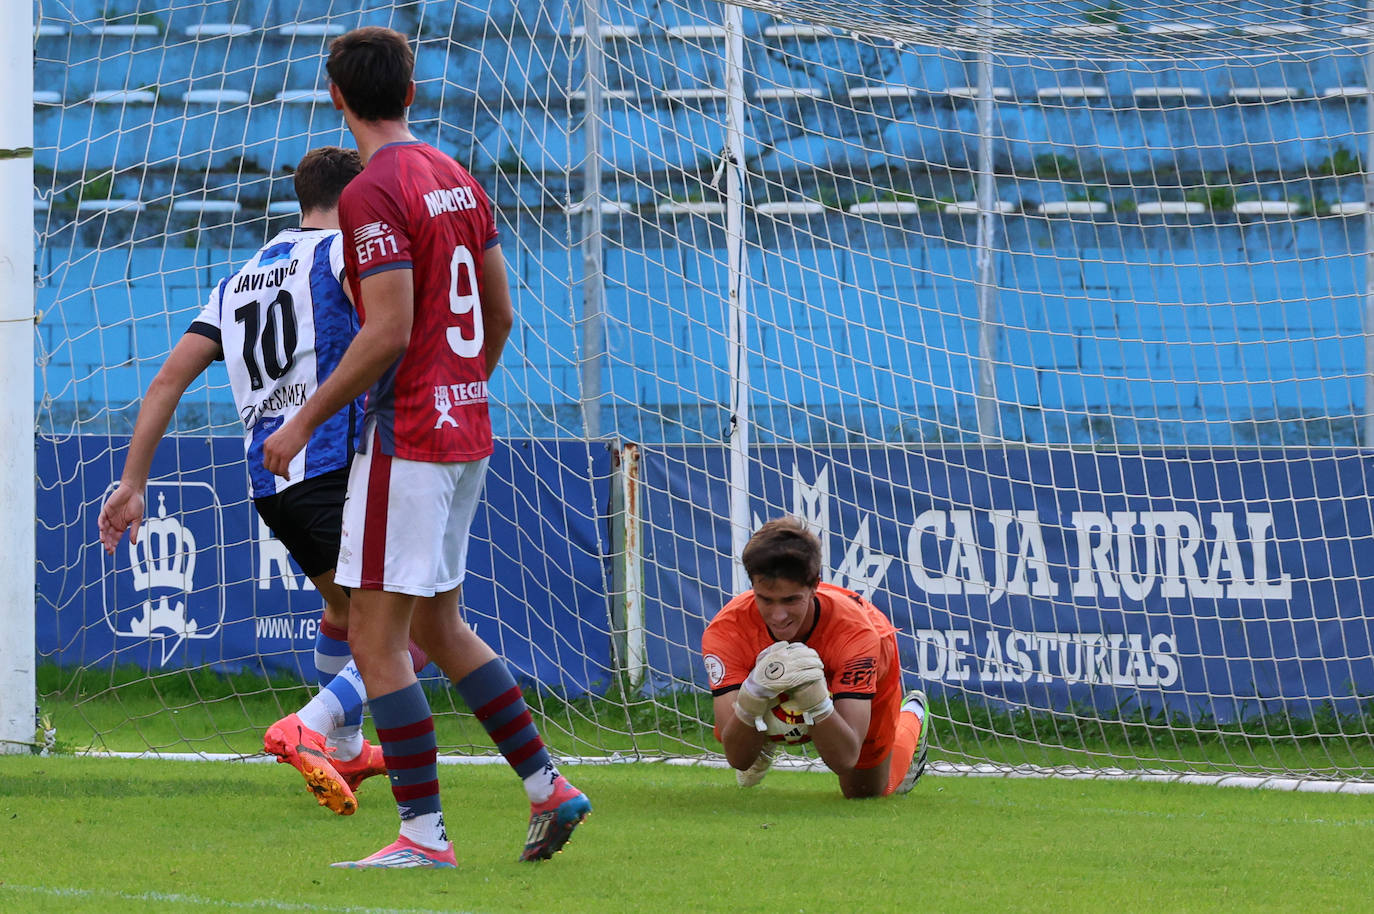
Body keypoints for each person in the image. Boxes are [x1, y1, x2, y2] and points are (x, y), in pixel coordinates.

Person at [262, 26, 589, 869]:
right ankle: (549, 786)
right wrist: (462, 388)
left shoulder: (373, 192)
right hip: (466, 425)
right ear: (411, 91)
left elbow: (389, 329)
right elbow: (502, 313)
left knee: (375, 637)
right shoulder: (455, 176)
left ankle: (422, 835)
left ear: (337, 99)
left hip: (406, 435)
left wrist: (302, 422)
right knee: (439, 624)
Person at [96, 146, 417, 816]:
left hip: (272, 484)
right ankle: (311, 725)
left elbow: (166, 381)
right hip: (333, 464)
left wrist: (132, 482)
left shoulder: (239, 278)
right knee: (415, 626)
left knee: (343, 615)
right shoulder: (340, 254)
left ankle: (352, 749)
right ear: (355, 199)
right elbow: (389, 332)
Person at [701, 516, 932, 798]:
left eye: (790, 600)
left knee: (863, 793)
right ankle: (767, 724)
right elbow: (737, 759)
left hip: (871, 648)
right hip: (774, 665)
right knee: (738, 723)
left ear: (814, 587)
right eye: (766, 599)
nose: (778, 615)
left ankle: (912, 716)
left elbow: (845, 758)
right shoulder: (726, 632)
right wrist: (753, 696)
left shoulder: (859, 636)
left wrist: (818, 701)